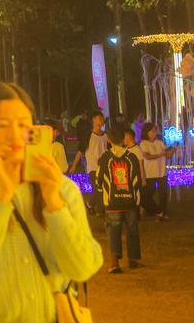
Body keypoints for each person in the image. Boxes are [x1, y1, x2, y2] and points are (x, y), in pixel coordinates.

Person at [0, 82, 101, 323]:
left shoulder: (61, 188)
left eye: (24, 125)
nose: (15, 134)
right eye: (2, 125)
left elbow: (83, 267)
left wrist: (54, 203)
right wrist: (2, 194)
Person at [97, 123, 144, 273]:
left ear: (109, 140)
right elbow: (136, 180)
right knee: (132, 229)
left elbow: (99, 179)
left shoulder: (105, 158)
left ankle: (115, 263)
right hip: (130, 201)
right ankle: (133, 260)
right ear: (123, 138)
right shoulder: (132, 158)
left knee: (114, 231)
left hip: (112, 203)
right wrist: (136, 199)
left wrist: (103, 192)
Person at [68, 110, 107, 215]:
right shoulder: (88, 135)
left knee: (101, 188)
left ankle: (90, 203)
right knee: (97, 188)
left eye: (102, 118)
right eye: (99, 118)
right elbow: (81, 150)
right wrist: (74, 165)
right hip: (93, 166)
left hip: (104, 166)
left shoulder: (105, 136)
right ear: (93, 120)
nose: (101, 120)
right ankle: (101, 210)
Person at [139, 122, 174, 219]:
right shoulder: (143, 143)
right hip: (150, 173)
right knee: (147, 194)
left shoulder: (160, 143)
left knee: (163, 194)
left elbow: (167, 155)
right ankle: (155, 210)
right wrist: (161, 154)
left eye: (155, 130)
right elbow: (147, 156)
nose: (155, 132)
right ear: (147, 132)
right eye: (152, 130)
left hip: (161, 172)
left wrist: (172, 151)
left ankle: (163, 212)